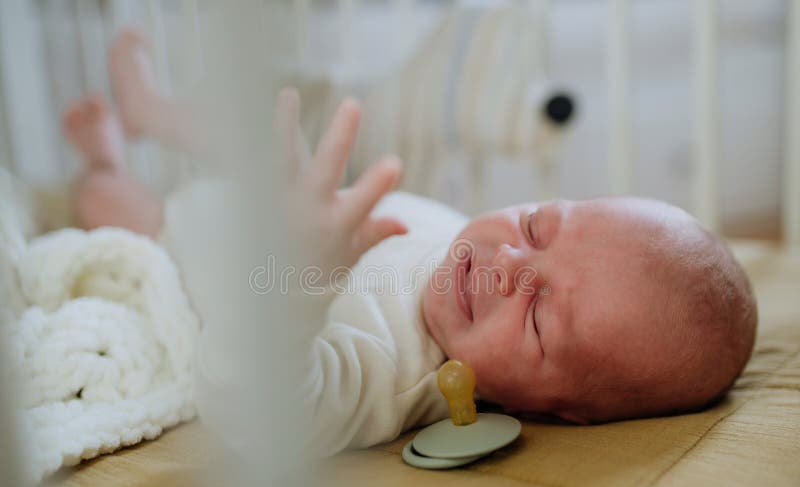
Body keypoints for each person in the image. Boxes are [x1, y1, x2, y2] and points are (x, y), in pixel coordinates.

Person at [63, 28, 757, 453]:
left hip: (190, 249)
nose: (510, 263)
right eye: (536, 225)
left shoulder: (391, 373)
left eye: (541, 316)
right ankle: (153, 112)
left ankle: (110, 164)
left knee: (109, 207)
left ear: (553, 410)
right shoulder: (462, 243)